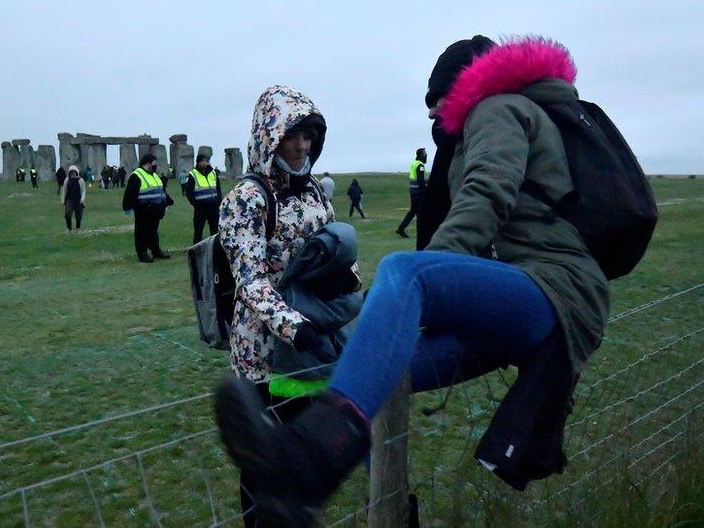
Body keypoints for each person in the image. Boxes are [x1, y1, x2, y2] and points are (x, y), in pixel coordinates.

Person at [214, 36, 613, 522]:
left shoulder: (498, 109)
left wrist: (424, 295)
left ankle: (311, 467)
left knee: (406, 275)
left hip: (554, 289)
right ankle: (325, 498)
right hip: (527, 296)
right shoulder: (248, 197)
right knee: (378, 364)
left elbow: (485, 197)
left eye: (435, 99)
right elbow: (252, 277)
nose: (431, 116)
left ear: (464, 85)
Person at [216, 85, 358, 526]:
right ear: (268, 137)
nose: (302, 146)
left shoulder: (315, 190)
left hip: (309, 345)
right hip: (262, 350)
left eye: (309, 136)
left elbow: (333, 253)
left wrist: (352, 296)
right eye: (292, 136)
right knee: (261, 458)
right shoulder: (247, 199)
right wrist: (295, 326)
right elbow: (250, 281)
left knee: (299, 447)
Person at [123, 153, 173, 263]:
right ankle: (142, 253)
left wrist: (168, 200)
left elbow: (161, 190)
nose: (155, 166)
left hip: (155, 210)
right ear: (147, 163)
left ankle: (156, 251)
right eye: (154, 164)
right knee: (142, 232)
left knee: (153, 232)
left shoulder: (155, 176)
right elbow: (130, 193)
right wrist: (127, 207)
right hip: (143, 210)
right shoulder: (136, 175)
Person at [186, 153, 223, 244]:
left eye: (206, 161)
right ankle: (196, 252)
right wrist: (197, 205)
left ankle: (215, 250)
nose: (204, 163)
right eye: (202, 161)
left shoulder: (213, 173)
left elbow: (218, 189)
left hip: (213, 207)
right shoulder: (193, 175)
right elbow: (189, 193)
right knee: (198, 232)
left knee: (215, 232)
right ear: (198, 162)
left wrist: (218, 202)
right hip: (200, 208)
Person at [395, 148, 427, 238]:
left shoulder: (414, 163)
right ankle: (420, 232)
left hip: (413, 191)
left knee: (413, 211)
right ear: (421, 155)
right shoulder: (420, 165)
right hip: (418, 192)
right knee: (419, 212)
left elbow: (417, 178)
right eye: (425, 154)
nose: (426, 156)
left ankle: (401, 229)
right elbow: (420, 181)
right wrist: (425, 191)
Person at [61, 165, 86, 232]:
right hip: (69, 199)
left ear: (77, 172)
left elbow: (83, 191)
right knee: (67, 214)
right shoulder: (67, 180)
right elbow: (64, 190)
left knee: (78, 215)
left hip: (78, 200)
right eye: (71, 172)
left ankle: (78, 228)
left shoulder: (81, 180)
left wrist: (82, 199)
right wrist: (63, 201)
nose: (73, 173)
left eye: (74, 172)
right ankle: (69, 228)